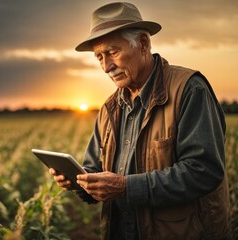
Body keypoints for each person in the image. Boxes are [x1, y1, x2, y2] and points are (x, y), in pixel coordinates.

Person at [49, 2, 232, 240]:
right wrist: (79, 182)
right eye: (99, 57)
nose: (106, 67)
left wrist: (126, 187)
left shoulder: (189, 89)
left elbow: (204, 171)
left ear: (144, 44)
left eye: (113, 52)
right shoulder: (108, 108)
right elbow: (95, 169)